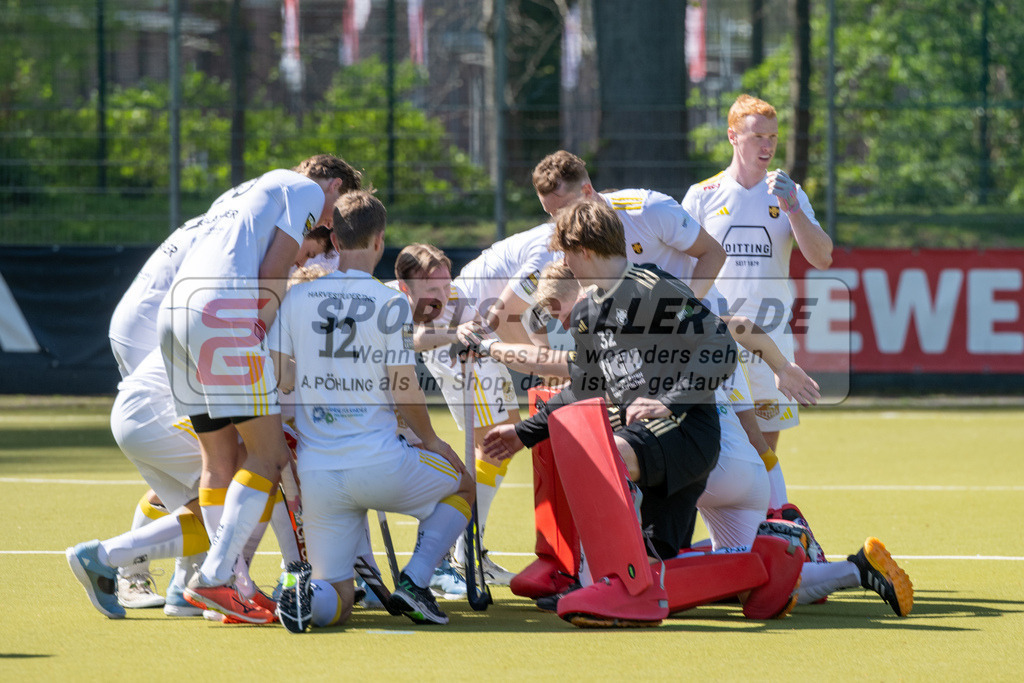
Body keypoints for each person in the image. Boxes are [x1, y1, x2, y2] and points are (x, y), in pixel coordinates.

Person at [153, 154, 358, 623]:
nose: (329, 225)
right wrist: (260, 332)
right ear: (333, 184)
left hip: (175, 314)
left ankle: (229, 585)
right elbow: (275, 270)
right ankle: (215, 577)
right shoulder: (306, 191)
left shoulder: (241, 190)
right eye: (336, 212)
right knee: (270, 455)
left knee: (219, 459)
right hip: (222, 315)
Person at [483, 198, 736, 568]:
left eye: (566, 254)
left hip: (684, 433)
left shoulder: (652, 287)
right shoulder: (587, 312)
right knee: (659, 566)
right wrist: (523, 433)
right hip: (645, 441)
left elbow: (720, 345)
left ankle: (594, 575)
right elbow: (584, 386)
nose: (564, 263)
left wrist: (668, 401)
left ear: (584, 251)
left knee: (603, 455)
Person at [269, 191, 475, 631]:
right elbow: (403, 386)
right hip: (380, 463)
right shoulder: (389, 302)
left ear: (334, 241)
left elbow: (280, 378)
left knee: (339, 600)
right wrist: (432, 441)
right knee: (464, 486)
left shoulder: (296, 299)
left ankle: (304, 595)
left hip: (319, 474)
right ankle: (416, 582)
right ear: (380, 241)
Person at [681, 94, 833, 509]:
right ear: (733, 137)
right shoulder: (703, 195)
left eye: (773, 137)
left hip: (771, 338)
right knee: (709, 444)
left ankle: (764, 528)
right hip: (716, 336)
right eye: (757, 137)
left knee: (765, 448)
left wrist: (793, 208)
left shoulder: (788, 193)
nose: (767, 146)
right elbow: (679, 263)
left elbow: (822, 257)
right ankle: (721, 534)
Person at [394, 236, 559, 586]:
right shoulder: (393, 299)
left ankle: (463, 549)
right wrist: (456, 333)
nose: (442, 294)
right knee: (496, 444)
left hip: (472, 348)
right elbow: (413, 339)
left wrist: (544, 363)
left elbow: (512, 322)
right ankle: (462, 552)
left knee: (501, 442)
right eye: (432, 288)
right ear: (405, 286)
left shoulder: (456, 299)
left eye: (445, 284)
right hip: (454, 351)